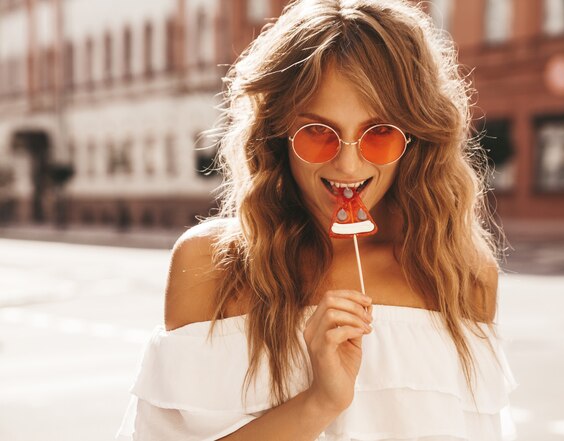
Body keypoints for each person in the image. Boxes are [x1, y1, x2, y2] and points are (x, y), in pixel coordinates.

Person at [117, 0, 518, 440]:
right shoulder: (210, 266)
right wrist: (320, 402)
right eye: (318, 133)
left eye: (379, 132)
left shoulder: (461, 276)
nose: (348, 164)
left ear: (417, 139)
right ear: (277, 136)